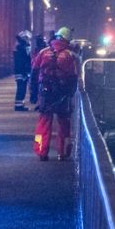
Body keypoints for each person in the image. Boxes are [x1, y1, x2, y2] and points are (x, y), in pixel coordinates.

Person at [31, 26, 78, 161]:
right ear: (67, 40)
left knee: (44, 122)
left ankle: (41, 151)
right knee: (64, 123)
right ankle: (61, 153)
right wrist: (71, 94)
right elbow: (74, 76)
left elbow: (34, 72)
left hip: (45, 92)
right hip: (63, 93)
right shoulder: (70, 55)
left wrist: (33, 93)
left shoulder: (43, 52)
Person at [13, 31, 32, 111]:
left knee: (21, 88)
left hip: (20, 71)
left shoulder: (19, 47)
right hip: (21, 71)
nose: (28, 40)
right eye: (27, 38)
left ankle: (19, 104)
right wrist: (25, 72)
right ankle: (18, 106)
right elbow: (24, 60)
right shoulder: (22, 48)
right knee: (21, 88)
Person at [29, 34, 48, 108]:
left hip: (39, 70)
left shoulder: (39, 50)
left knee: (37, 86)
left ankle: (39, 102)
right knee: (39, 87)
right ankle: (40, 103)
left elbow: (35, 60)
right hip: (41, 70)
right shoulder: (43, 49)